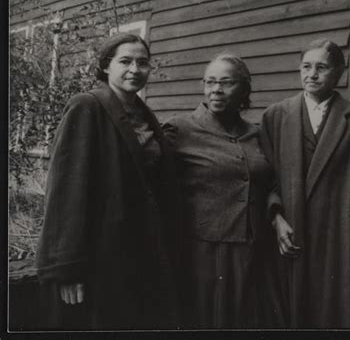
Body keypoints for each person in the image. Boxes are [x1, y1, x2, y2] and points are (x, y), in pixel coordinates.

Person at [36, 33, 181, 330]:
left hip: (139, 254)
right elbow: (66, 191)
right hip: (99, 256)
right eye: (125, 61)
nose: (135, 69)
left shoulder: (144, 114)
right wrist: (67, 268)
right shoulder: (87, 106)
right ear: (105, 67)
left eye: (143, 63)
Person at [260, 39, 350, 328]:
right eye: (306, 67)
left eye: (321, 67)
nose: (312, 74)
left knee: (338, 313)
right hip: (294, 233)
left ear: (338, 74)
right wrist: (275, 217)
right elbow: (265, 177)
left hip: (343, 236)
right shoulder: (275, 116)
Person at [162, 53, 281, 329]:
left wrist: (276, 213)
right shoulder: (179, 130)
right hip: (205, 252)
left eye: (226, 82)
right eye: (210, 82)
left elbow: (272, 181)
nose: (216, 89)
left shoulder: (257, 133)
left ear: (243, 89)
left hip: (254, 248)